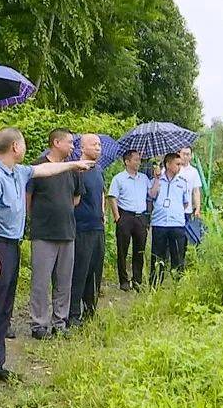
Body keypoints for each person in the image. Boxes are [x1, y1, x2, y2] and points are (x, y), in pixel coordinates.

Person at [0, 128, 93, 389]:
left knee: (4, 307)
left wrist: (74, 164)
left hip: (11, 245)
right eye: (22, 143)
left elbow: (45, 170)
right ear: (14, 147)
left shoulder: (18, 172)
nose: (25, 148)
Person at [26, 128, 83, 339]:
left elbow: (76, 198)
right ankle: (38, 324)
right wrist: (38, 218)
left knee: (64, 280)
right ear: (56, 142)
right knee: (40, 281)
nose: (72, 147)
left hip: (67, 232)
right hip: (43, 232)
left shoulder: (73, 169)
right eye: (69, 142)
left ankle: (60, 321)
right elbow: (28, 197)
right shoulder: (37, 165)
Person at [68, 133, 105, 328]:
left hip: (98, 227)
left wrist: (103, 214)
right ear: (82, 147)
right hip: (81, 228)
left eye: (99, 144)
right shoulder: (77, 170)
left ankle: (91, 311)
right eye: (94, 144)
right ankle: (73, 313)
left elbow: (100, 195)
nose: (98, 147)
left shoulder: (98, 170)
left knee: (95, 271)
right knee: (79, 271)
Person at [106, 149, 150, 291]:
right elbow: (112, 197)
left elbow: (152, 193)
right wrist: (117, 217)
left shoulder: (144, 178)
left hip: (140, 217)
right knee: (122, 249)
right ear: (127, 161)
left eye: (139, 159)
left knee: (140, 249)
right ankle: (123, 280)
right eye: (136, 159)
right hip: (125, 216)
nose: (138, 162)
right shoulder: (119, 178)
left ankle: (137, 280)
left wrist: (156, 177)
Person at [148, 152, 190, 285]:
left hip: (176, 224)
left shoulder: (183, 182)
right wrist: (156, 179)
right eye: (177, 164)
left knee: (177, 255)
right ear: (168, 164)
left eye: (181, 165)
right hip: (159, 223)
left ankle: (178, 283)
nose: (179, 167)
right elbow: (151, 196)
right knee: (157, 256)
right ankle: (155, 283)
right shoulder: (157, 180)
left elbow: (186, 202)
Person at [178, 146, 203, 220]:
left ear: (191, 156)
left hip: (187, 210)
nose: (185, 156)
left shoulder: (194, 171)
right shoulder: (173, 168)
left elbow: (196, 191)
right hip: (173, 210)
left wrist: (197, 208)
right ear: (179, 154)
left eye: (188, 154)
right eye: (183, 154)